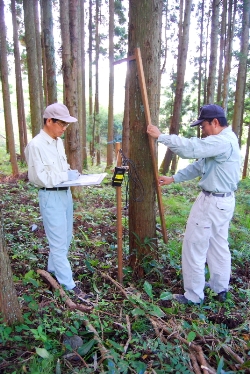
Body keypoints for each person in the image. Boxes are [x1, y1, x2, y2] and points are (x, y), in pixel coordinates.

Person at [147, 104, 241, 304]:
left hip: (212, 202)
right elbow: (200, 165)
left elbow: (191, 149)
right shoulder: (227, 141)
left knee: (194, 246)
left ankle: (193, 295)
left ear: (215, 122)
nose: (202, 131)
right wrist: (174, 178)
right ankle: (219, 288)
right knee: (218, 244)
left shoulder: (221, 141)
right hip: (223, 201)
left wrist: (161, 137)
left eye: (204, 126)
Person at [25, 103, 91, 304]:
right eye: (61, 124)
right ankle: (69, 285)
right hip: (50, 195)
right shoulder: (36, 145)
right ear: (49, 121)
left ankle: (52, 271)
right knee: (58, 241)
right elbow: (39, 178)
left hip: (65, 194)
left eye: (66, 125)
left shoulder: (57, 142)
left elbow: (62, 167)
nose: (64, 128)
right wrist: (65, 175)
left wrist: (71, 174)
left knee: (66, 237)